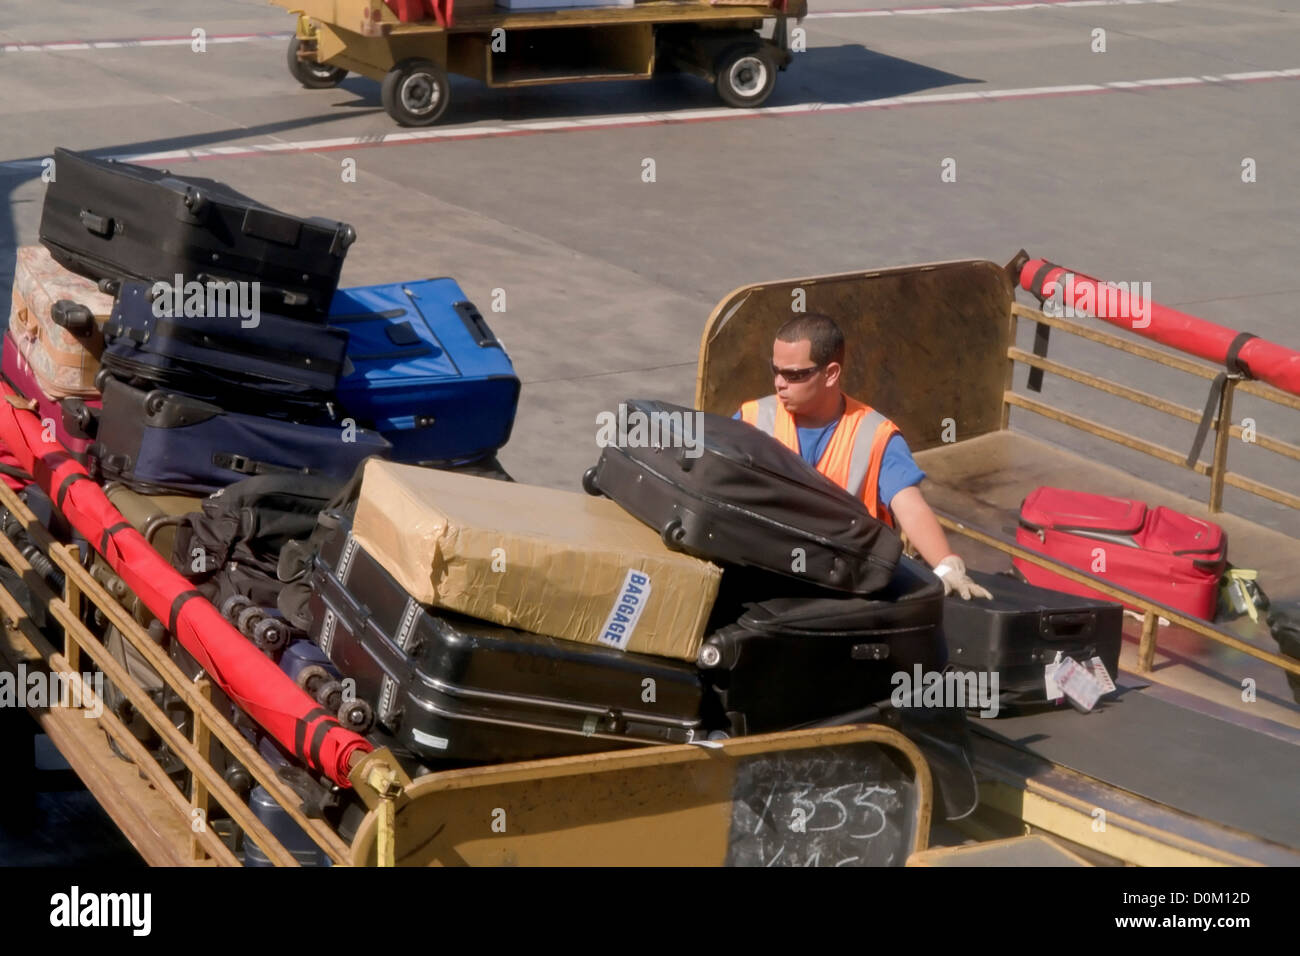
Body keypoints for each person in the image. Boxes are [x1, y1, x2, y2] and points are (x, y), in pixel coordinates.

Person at [736, 313, 991, 600]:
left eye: (794, 375)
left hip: (843, 590)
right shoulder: (752, 419)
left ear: (831, 374)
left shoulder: (875, 436)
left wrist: (946, 565)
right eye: (775, 370)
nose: (779, 383)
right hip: (765, 578)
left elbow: (910, 506)